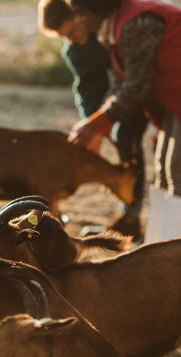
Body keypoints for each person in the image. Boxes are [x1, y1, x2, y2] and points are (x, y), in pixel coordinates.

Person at [66, 0, 181, 243]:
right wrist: (96, 123)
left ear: (91, 9)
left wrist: (95, 126)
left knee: (176, 171)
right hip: (175, 102)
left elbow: (137, 87)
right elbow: (121, 83)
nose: (81, 21)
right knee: (163, 170)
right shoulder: (119, 26)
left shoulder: (135, 23)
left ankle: (170, 258)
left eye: (80, 13)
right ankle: (155, 246)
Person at [38, 0, 149, 240]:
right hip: (110, 104)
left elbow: (125, 79)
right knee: (118, 142)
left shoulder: (107, 33)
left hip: (132, 96)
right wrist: (93, 123)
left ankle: (131, 217)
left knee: (126, 138)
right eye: (63, 37)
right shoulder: (74, 51)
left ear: (82, 16)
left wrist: (105, 120)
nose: (71, 40)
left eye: (72, 32)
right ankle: (129, 217)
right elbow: (88, 88)